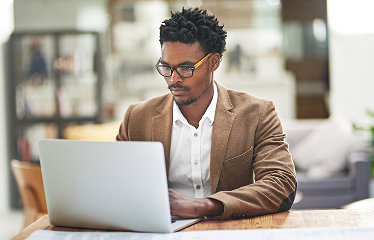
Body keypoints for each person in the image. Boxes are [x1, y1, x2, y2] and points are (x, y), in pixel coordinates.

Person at [117, 7, 297, 220]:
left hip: (229, 230)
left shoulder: (257, 114)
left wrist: (206, 206)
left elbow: (282, 184)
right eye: (166, 68)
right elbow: (117, 184)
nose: (173, 79)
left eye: (186, 68)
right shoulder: (136, 118)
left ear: (213, 62)